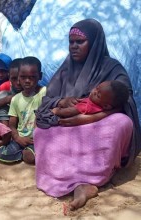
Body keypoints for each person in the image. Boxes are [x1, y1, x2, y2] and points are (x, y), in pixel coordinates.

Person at [34, 18, 141, 211]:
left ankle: (94, 176)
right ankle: (75, 181)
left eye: (79, 42)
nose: (73, 46)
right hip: (69, 125)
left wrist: (91, 117)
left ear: (95, 43)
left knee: (122, 123)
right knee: (41, 132)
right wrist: (61, 101)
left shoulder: (112, 68)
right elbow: (46, 102)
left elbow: (126, 100)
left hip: (98, 125)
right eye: (71, 42)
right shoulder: (65, 70)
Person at [0, 56, 46, 164]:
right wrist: (18, 138)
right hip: (20, 138)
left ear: (40, 76)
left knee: (30, 157)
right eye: (23, 77)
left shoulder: (43, 93)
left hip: (36, 140)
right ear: (19, 78)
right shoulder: (15, 99)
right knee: (2, 155)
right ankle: (22, 152)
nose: (27, 81)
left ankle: (28, 152)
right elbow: (12, 125)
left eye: (32, 77)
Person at [52, 80, 129, 117]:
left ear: (106, 106)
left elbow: (69, 112)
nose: (94, 92)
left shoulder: (89, 106)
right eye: (96, 88)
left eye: (98, 96)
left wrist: (57, 111)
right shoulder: (98, 105)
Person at [0, 58, 23, 125]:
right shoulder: (6, 86)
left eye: (22, 78)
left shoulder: (34, 90)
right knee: (2, 95)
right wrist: (7, 99)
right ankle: (5, 131)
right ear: (9, 76)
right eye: (14, 78)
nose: (18, 82)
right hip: (9, 121)